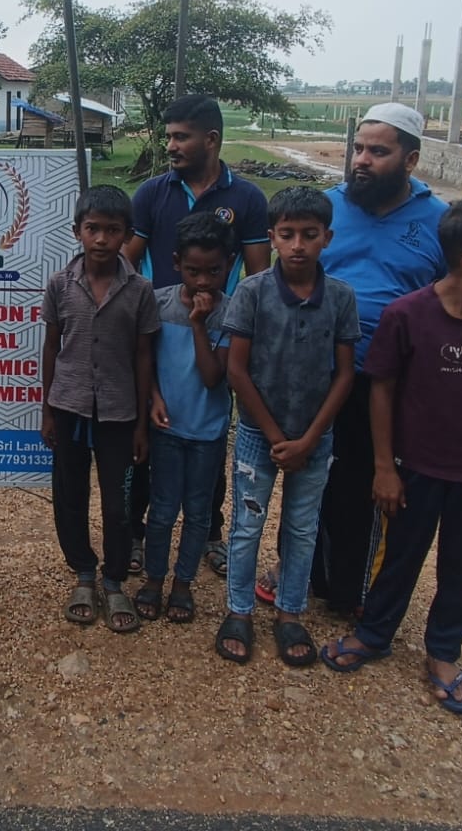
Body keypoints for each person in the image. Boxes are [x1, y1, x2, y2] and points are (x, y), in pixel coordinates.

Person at [321, 197, 462, 716]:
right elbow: (381, 390)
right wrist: (384, 467)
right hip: (415, 468)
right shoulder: (407, 315)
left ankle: (444, 651)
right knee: (397, 556)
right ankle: (375, 633)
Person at [310, 102, 450, 618]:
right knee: (309, 477)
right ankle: (301, 572)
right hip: (317, 373)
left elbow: (451, 301)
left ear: (410, 160)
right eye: (358, 148)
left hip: (387, 382)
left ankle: (352, 592)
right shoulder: (326, 209)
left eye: (378, 151)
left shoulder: (439, 221)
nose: (362, 161)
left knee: (366, 483)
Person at [123, 94, 269, 577]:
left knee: (210, 431)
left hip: (218, 333)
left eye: (180, 137)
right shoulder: (152, 193)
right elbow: (127, 261)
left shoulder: (246, 199)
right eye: (168, 136)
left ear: (211, 139)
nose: (170, 145)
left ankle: (209, 534)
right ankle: (139, 534)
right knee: (150, 436)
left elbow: (258, 276)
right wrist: (140, 315)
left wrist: (235, 329)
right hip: (161, 328)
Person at [219, 187, 359, 667]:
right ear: (272, 238)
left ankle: (290, 612)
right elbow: (237, 370)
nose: (298, 245)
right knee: (246, 526)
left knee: (302, 528)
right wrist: (278, 437)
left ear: (327, 238)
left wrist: (311, 438)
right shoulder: (252, 292)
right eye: (287, 234)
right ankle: (238, 610)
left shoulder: (340, 297)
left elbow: (345, 374)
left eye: (309, 234)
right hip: (259, 435)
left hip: (315, 438)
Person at [40, 184, 160, 634]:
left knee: (119, 502)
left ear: (127, 234)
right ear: (77, 231)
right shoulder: (60, 284)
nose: (102, 239)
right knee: (69, 495)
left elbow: (143, 356)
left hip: (119, 414)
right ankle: (84, 573)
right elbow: (51, 348)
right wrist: (47, 411)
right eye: (93, 229)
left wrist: (142, 423)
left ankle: (114, 578)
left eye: (113, 230)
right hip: (69, 407)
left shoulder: (140, 290)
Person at [136, 211, 236, 626]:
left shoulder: (231, 312)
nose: (203, 281)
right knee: (161, 510)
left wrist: (198, 325)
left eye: (214, 271)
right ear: (177, 263)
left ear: (229, 265)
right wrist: (153, 399)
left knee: (198, 513)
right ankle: (154, 578)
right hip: (166, 428)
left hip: (207, 433)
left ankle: (183, 583)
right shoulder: (157, 303)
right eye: (193, 271)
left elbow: (214, 377)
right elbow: (145, 361)